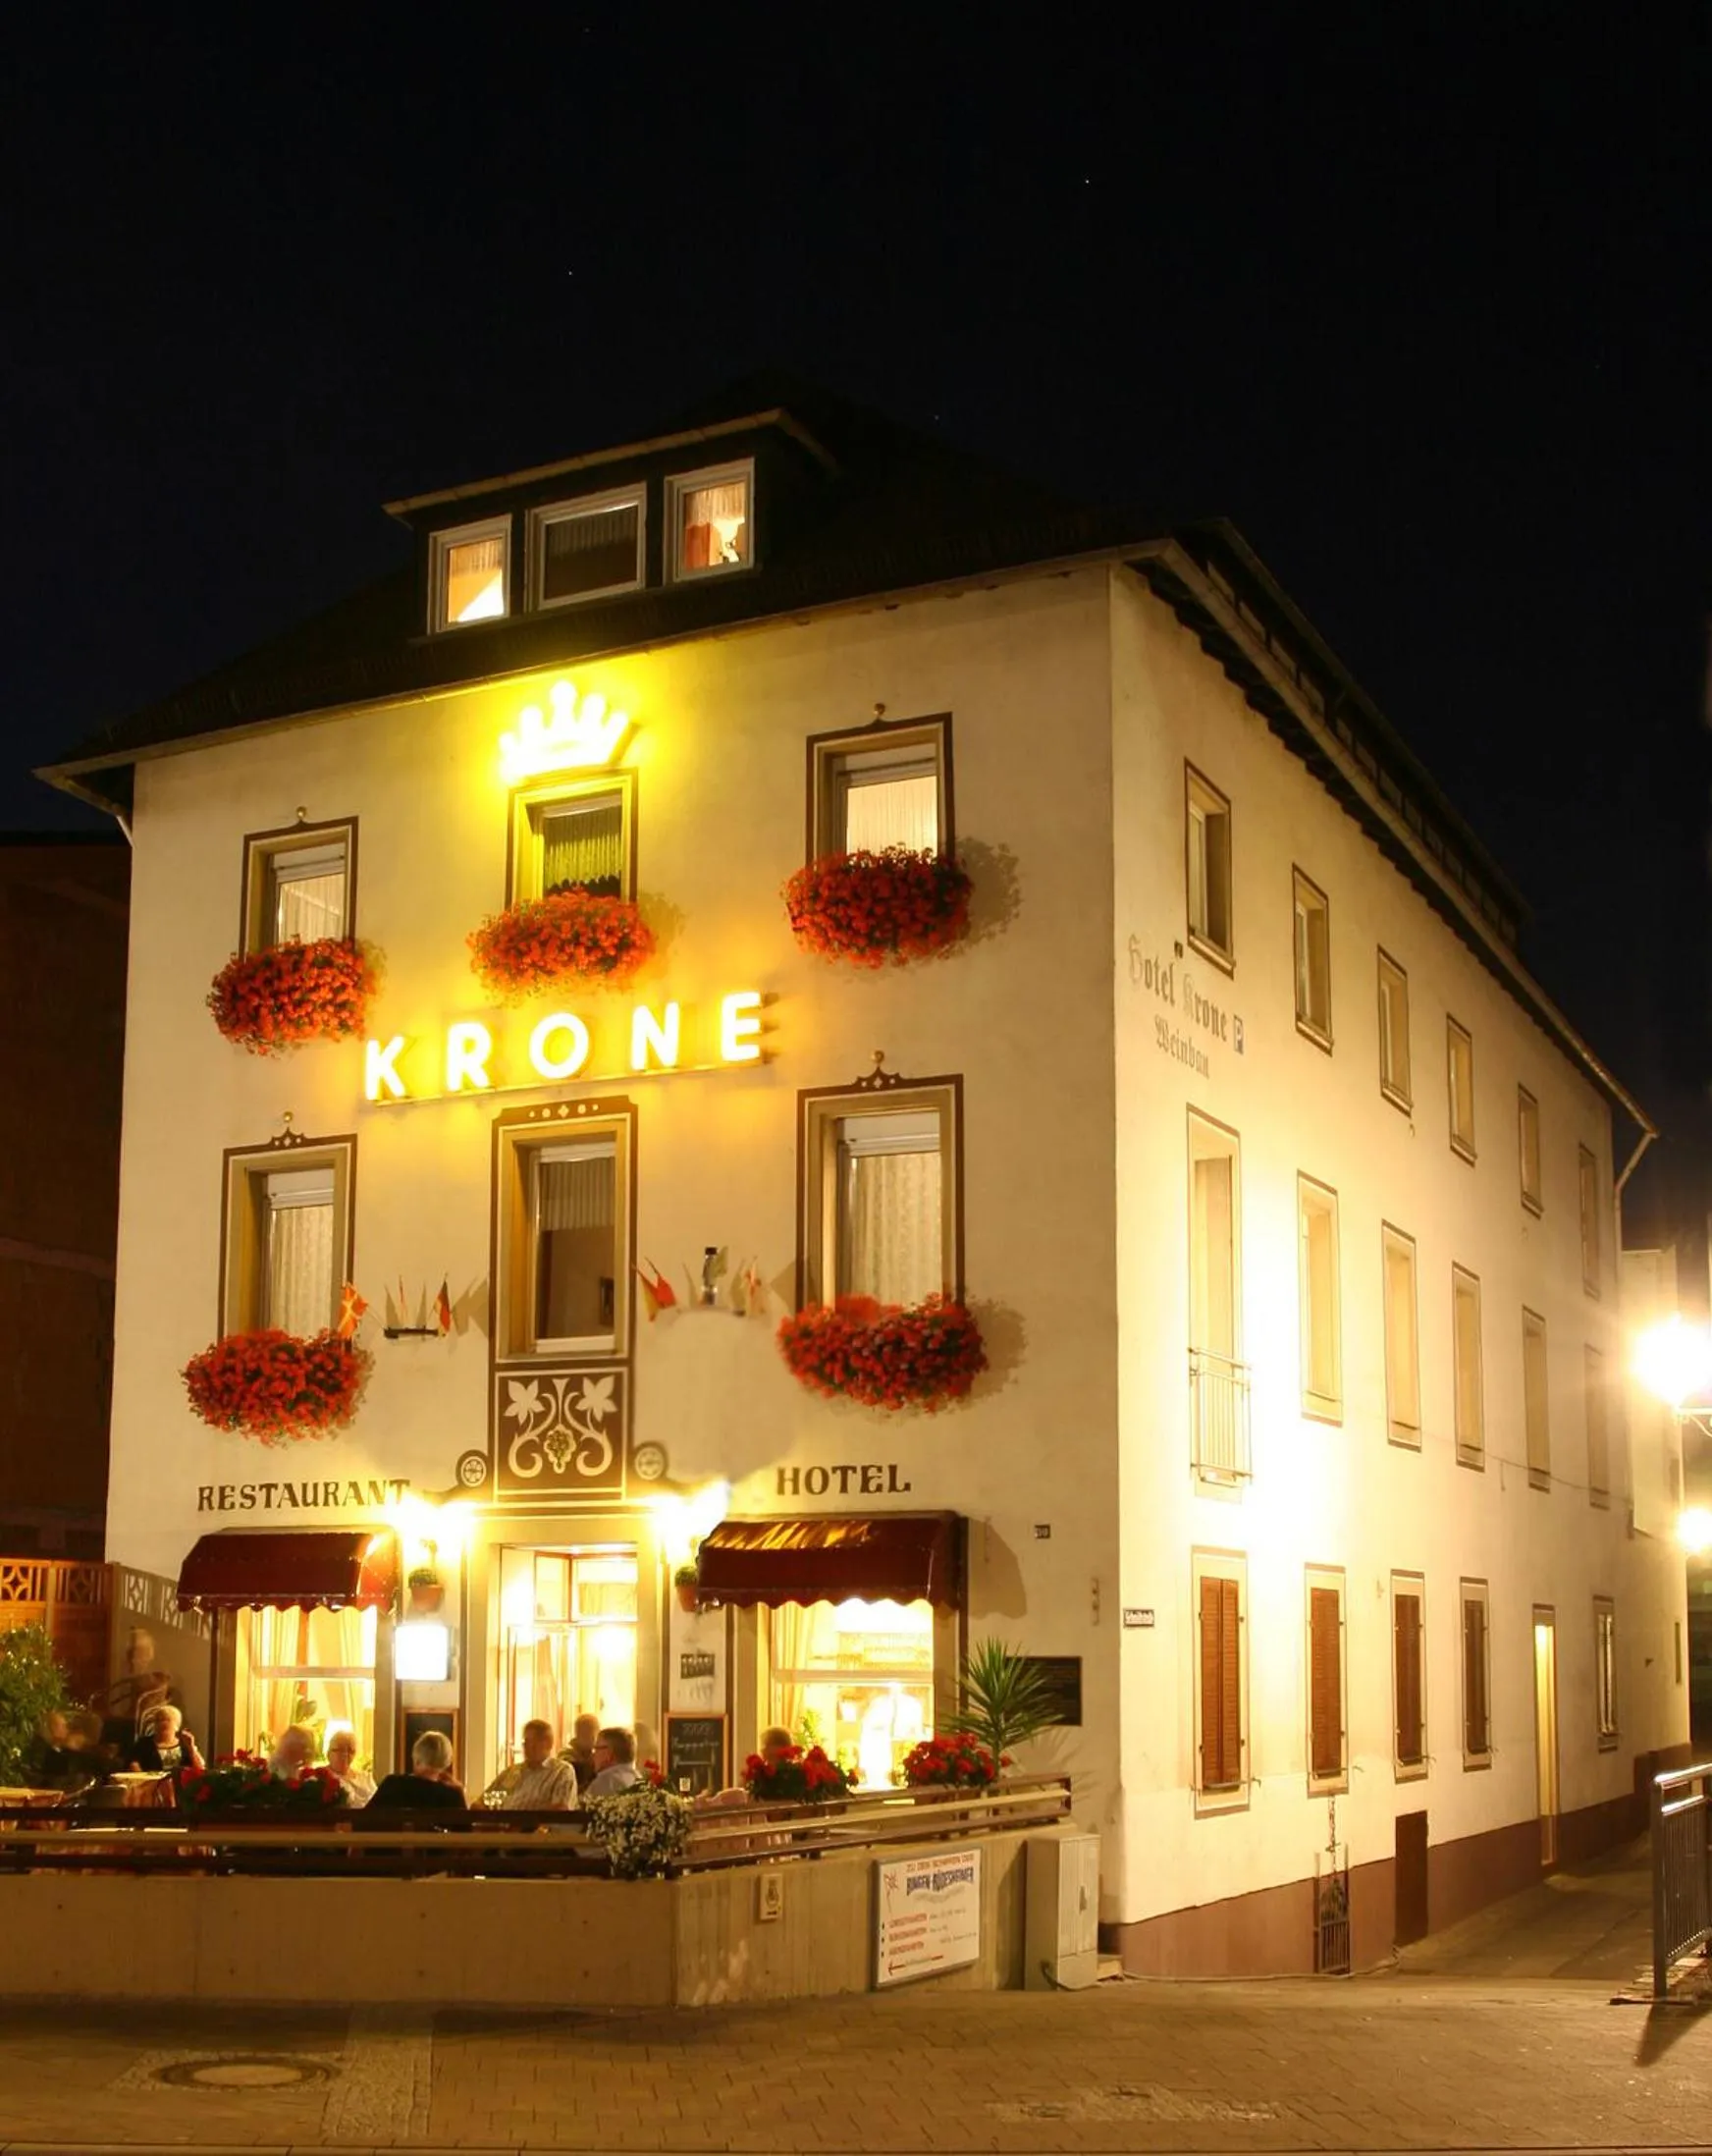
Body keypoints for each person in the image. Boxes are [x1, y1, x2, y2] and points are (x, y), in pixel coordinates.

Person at [483, 1719, 575, 1809]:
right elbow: (484, 1800)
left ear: (549, 1744)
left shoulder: (561, 1771)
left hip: (536, 1824)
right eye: (526, 1742)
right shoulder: (511, 1772)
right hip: (500, 1823)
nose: (528, 1747)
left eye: (535, 1742)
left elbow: (560, 1809)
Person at [367, 1730, 468, 1812]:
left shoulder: (393, 1784)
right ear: (447, 1761)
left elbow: (362, 1821)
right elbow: (465, 1834)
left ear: (416, 1758)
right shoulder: (454, 1794)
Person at [129, 1703, 203, 1775]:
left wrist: (191, 1748)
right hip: (152, 1785)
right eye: (158, 1720)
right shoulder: (144, 1743)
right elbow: (134, 1764)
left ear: (176, 1724)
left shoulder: (185, 1744)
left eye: (166, 1720)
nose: (161, 1723)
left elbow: (200, 1769)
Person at [582, 1726, 642, 1800]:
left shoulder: (605, 1783)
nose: (593, 1755)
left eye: (596, 1748)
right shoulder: (639, 1780)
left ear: (609, 1753)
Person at [325, 1728, 376, 1806]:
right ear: (328, 1754)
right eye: (340, 1750)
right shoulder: (321, 1777)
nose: (345, 1754)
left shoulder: (365, 1777)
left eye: (350, 1751)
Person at [558, 1712, 601, 1793]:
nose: (596, 1739)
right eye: (592, 1734)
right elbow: (578, 1773)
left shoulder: (592, 1754)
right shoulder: (565, 1755)